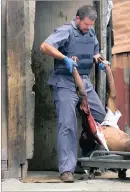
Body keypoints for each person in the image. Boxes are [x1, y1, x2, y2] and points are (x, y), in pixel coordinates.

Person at [40, 5, 108, 182]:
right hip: (64, 82)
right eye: (85, 24)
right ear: (77, 19)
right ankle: (66, 169)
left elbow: (94, 51)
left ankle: (88, 160)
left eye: (91, 25)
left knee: (100, 117)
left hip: (84, 81)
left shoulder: (91, 33)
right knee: (68, 123)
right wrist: (64, 59)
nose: (88, 28)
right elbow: (45, 46)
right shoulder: (66, 31)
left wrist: (97, 59)